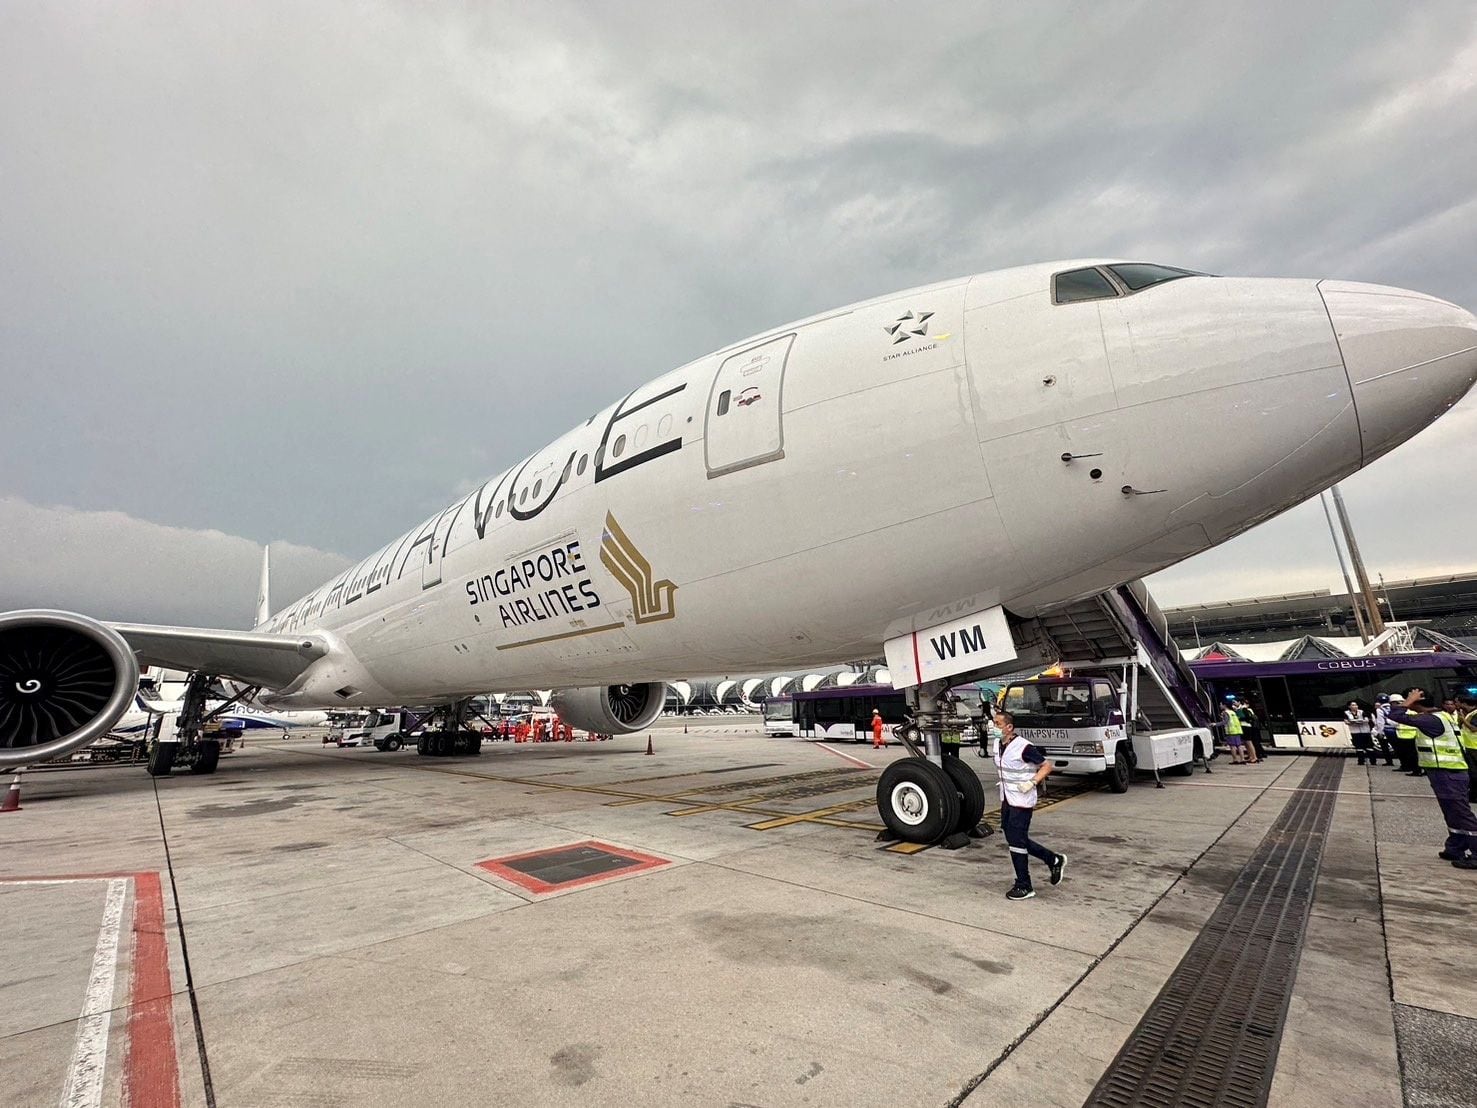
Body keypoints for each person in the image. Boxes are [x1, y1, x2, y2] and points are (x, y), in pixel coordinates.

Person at [1388, 688, 1477, 870]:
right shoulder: (1441, 716)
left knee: (1461, 814)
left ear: (1417, 702)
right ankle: (1455, 847)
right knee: (1452, 813)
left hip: (1448, 773)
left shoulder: (1431, 719)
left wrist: (1408, 702)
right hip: (1445, 772)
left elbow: (1396, 715)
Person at [993, 710, 1066, 901]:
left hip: (1021, 801)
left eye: (998, 724)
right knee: (1014, 838)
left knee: (1017, 841)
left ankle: (1024, 885)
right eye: (994, 723)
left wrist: (1032, 782)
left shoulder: (1023, 747)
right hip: (1007, 799)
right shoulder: (997, 744)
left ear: (1009, 727)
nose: (994, 727)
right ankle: (1053, 859)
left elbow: (1047, 765)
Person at [1388, 693, 1424, 776]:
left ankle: (1416, 770)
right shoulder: (1410, 711)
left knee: (1413, 755)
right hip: (1408, 735)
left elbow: (1393, 722)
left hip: (1409, 736)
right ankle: (1416, 769)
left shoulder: (1403, 712)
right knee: (1413, 755)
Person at [1344, 700, 1374, 766]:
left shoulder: (1361, 712)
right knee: (1359, 747)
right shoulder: (1347, 713)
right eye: (1353, 705)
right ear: (1349, 706)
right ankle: (1361, 761)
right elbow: (1346, 721)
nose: (1355, 706)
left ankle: (1373, 760)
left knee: (1369, 746)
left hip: (1365, 731)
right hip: (1355, 732)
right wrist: (1351, 722)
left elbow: (1367, 719)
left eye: (1356, 705)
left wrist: (1361, 721)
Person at [1372, 694, 1397, 766]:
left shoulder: (1379, 710)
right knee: (1397, 747)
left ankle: (1389, 762)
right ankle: (1404, 763)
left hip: (1386, 730)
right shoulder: (1393, 707)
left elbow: (1380, 722)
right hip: (1395, 729)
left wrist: (1380, 732)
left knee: (1385, 747)